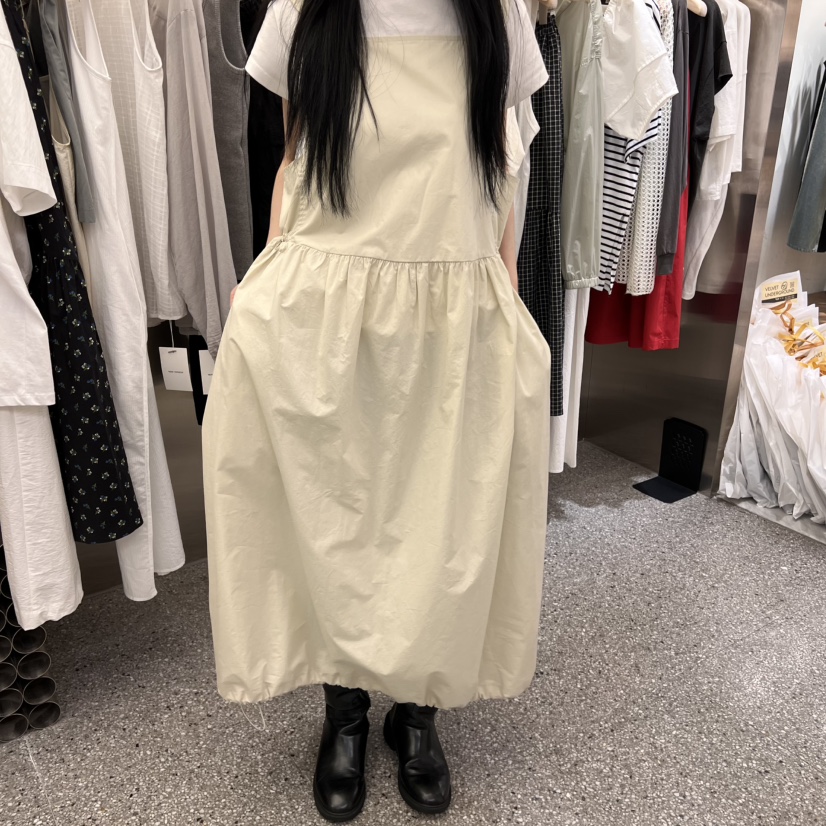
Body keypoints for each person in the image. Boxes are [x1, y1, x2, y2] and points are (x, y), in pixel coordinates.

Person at [202, 0, 551, 820]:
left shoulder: (499, 14)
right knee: (338, 524)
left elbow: (510, 163)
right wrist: (263, 276)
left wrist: (505, 293)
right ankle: (347, 714)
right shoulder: (304, 12)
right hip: (331, 316)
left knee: (443, 526)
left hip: (453, 312)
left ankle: (418, 715)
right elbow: (294, 160)